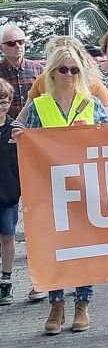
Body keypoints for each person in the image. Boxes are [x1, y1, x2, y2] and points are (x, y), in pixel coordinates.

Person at [17, 44, 108, 334]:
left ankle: (82, 304)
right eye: (62, 69)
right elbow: (21, 132)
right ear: (52, 73)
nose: (68, 74)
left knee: (82, 247)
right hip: (50, 190)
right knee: (54, 246)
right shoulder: (40, 106)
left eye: (74, 69)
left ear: (80, 73)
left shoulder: (92, 104)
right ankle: (56, 303)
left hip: (83, 188)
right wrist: (19, 135)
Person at [0, 79, 22, 307]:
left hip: (9, 193)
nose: (1, 106)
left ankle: (6, 279)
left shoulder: (16, 129)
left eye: (5, 102)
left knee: (8, 236)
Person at [0, 24, 45, 117]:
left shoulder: (38, 69)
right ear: (1, 48)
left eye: (21, 42)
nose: (18, 46)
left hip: (35, 125)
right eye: (11, 43)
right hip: (5, 127)